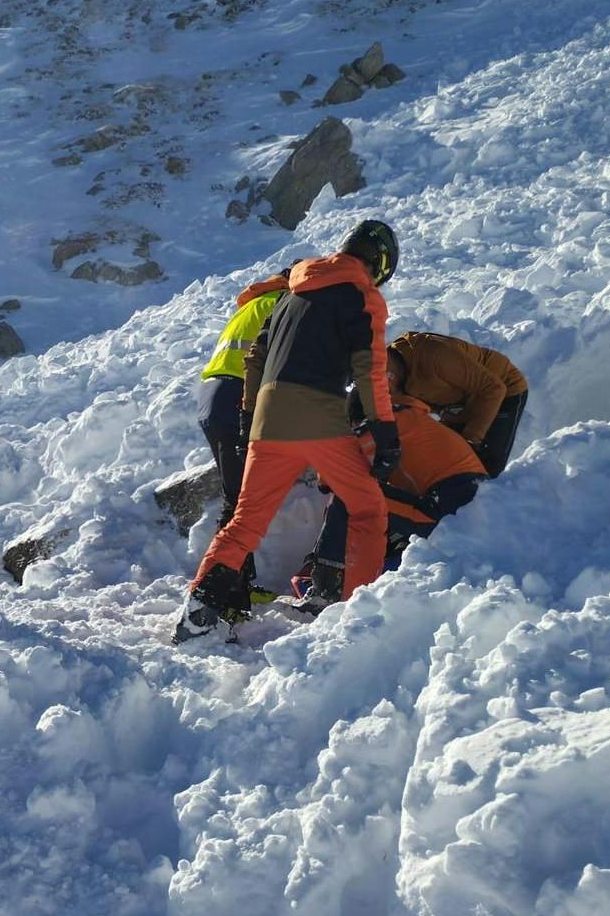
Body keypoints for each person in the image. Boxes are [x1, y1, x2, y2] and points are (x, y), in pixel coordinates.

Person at [174, 220, 402, 643]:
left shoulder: (293, 291)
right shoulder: (362, 294)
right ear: (380, 264)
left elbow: (256, 357)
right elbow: (369, 368)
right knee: (367, 507)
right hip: (317, 413)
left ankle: (201, 607)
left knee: (245, 521)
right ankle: (358, 613)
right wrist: (384, 431)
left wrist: (248, 417)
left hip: (268, 418)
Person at [292, 393, 486, 610]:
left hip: (444, 509)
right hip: (461, 507)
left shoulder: (380, 429)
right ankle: (341, 575)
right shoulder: (407, 418)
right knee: (370, 500)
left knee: (349, 496)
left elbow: (327, 481)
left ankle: (324, 590)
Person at [196, 269, 291, 584]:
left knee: (234, 497)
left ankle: (237, 583)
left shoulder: (256, 302)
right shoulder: (285, 300)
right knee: (241, 506)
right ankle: (221, 587)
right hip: (238, 394)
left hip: (212, 396)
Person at [386, 330, 527, 477]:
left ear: (390, 374)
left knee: (485, 465)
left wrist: (471, 439)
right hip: (463, 401)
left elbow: (494, 389)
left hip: (502, 390)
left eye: (386, 387)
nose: (387, 394)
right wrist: (442, 413)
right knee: (448, 461)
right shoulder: (393, 379)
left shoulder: (435, 355)